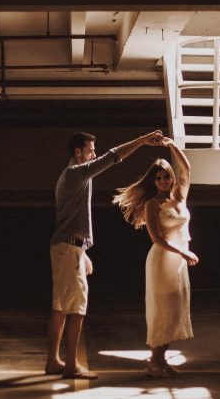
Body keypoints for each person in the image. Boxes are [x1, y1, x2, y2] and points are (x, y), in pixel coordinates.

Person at [47, 129, 166, 380]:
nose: (94, 154)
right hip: (68, 249)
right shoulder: (76, 173)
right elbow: (113, 157)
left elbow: (71, 219)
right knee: (77, 309)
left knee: (59, 308)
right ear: (78, 152)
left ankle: (53, 361)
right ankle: (71, 365)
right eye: (90, 150)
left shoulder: (69, 177)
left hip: (67, 247)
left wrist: (83, 251)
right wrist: (143, 140)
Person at [112, 137, 197, 378]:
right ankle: (154, 361)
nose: (163, 181)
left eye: (166, 176)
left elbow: (187, 168)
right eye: (158, 178)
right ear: (154, 181)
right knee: (163, 310)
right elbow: (157, 239)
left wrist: (171, 145)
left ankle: (160, 359)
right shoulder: (152, 204)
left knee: (177, 310)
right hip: (163, 260)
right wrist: (183, 251)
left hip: (179, 262)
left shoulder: (179, 196)